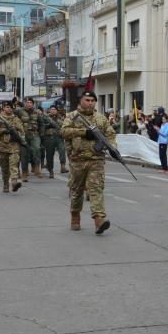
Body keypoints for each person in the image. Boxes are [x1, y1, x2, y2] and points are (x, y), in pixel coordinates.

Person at [62, 91, 115, 235]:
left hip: (96, 160)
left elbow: (110, 134)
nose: (90, 102)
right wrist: (83, 132)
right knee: (77, 191)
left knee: (96, 189)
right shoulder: (72, 116)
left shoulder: (101, 118)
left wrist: (112, 148)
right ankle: (75, 215)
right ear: (81, 101)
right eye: (87, 100)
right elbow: (64, 131)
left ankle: (99, 220)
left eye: (93, 100)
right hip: (77, 160)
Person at [0, 102, 24, 193]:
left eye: (10, 107)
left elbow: (22, 131)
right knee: (4, 167)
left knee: (14, 164)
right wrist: (4, 130)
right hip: (2, 146)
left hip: (14, 146)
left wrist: (18, 136)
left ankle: (14, 182)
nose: (9, 109)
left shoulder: (16, 119)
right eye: (7, 107)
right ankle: (5, 184)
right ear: (3, 108)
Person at [16, 97, 43, 181]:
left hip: (34, 134)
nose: (29, 104)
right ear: (24, 103)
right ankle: (24, 172)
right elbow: (14, 121)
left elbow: (41, 124)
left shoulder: (37, 112)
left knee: (37, 149)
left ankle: (37, 168)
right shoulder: (19, 111)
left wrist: (42, 134)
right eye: (27, 102)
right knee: (24, 154)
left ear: (33, 103)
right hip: (23, 135)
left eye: (30, 102)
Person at [40, 106, 67, 179]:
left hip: (59, 137)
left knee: (62, 150)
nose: (53, 110)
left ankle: (63, 166)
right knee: (49, 155)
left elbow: (63, 125)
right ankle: (51, 171)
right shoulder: (45, 117)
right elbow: (41, 126)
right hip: (49, 138)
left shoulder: (60, 117)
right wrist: (48, 125)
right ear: (49, 110)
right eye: (52, 109)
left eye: (54, 109)